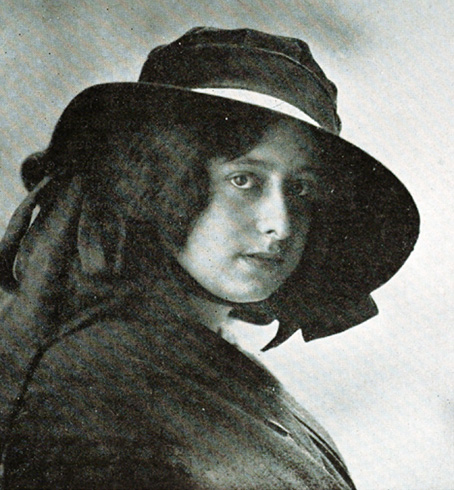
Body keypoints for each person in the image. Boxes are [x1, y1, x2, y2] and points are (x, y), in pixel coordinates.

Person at [0, 27, 419, 489]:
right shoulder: (93, 388)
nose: (279, 225)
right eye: (244, 180)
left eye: (300, 189)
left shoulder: (230, 371)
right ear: (163, 186)